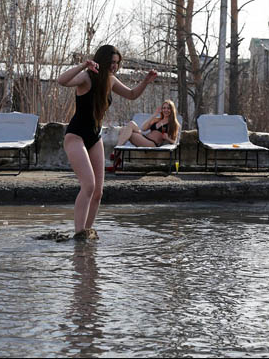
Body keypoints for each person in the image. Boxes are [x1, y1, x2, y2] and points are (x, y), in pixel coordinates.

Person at [57, 45, 157, 240]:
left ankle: (86, 232)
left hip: (95, 138)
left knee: (98, 192)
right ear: (101, 60)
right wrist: (83, 65)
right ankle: (78, 234)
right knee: (88, 185)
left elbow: (131, 94)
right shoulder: (86, 77)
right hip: (76, 136)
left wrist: (145, 81)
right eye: (111, 63)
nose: (114, 67)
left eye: (117, 63)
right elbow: (62, 81)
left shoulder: (110, 80)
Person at [115, 99, 180, 148]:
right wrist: (154, 114)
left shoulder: (173, 124)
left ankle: (116, 151)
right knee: (130, 124)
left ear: (172, 110)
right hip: (144, 137)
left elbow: (175, 142)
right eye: (164, 108)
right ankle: (118, 152)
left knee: (124, 131)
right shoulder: (157, 120)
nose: (166, 110)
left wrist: (167, 138)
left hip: (152, 143)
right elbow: (143, 128)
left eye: (168, 108)